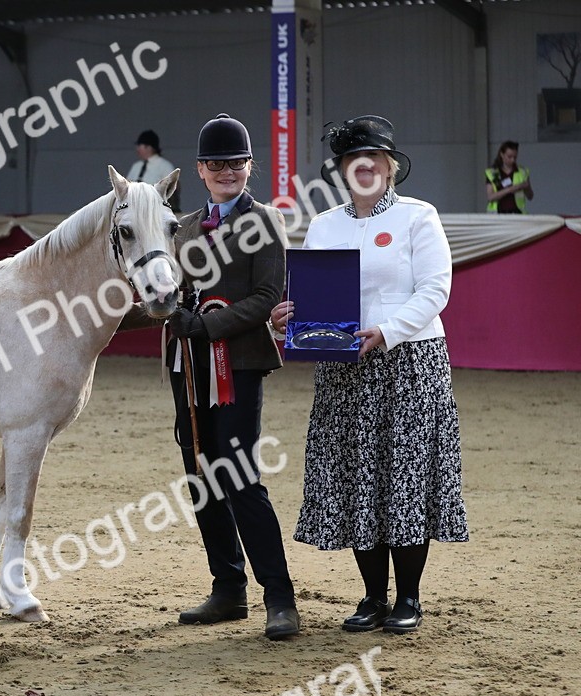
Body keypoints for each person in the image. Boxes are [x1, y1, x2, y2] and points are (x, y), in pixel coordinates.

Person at [271, 115, 469, 634]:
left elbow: (436, 290)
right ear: (340, 169)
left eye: (374, 158)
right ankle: (371, 597)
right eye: (354, 158)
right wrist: (288, 319)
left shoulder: (418, 216)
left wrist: (388, 329)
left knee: (404, 477)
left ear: (389, 167)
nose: (365, 166)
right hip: (345, 369)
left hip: (410, 363)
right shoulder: (323, 225)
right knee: (358, 476)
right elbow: (313, 301)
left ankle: (408, 598)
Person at [122, 113, 299, 640]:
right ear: (200, 170)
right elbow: (165, 294)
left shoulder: (265, 222)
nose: (226, 171)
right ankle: (227, 588)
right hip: (188, 370)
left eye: (236, 163)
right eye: (216, 164)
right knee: (201, 480)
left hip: (239, 364)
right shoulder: (186, 225)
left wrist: (202, 325)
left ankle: (280, 597)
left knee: (240, 478)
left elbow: (266, 298)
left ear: (250, 167)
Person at [484, 141, 533, 213]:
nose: (513, 160)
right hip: (497, 214)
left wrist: (526, 187)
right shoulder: (492, 173)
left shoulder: (523, 172)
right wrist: (510, 189)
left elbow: (530, 196)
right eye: (509, 157)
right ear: (502, 154)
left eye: (515, 157)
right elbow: (491, 197)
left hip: (517, 213)